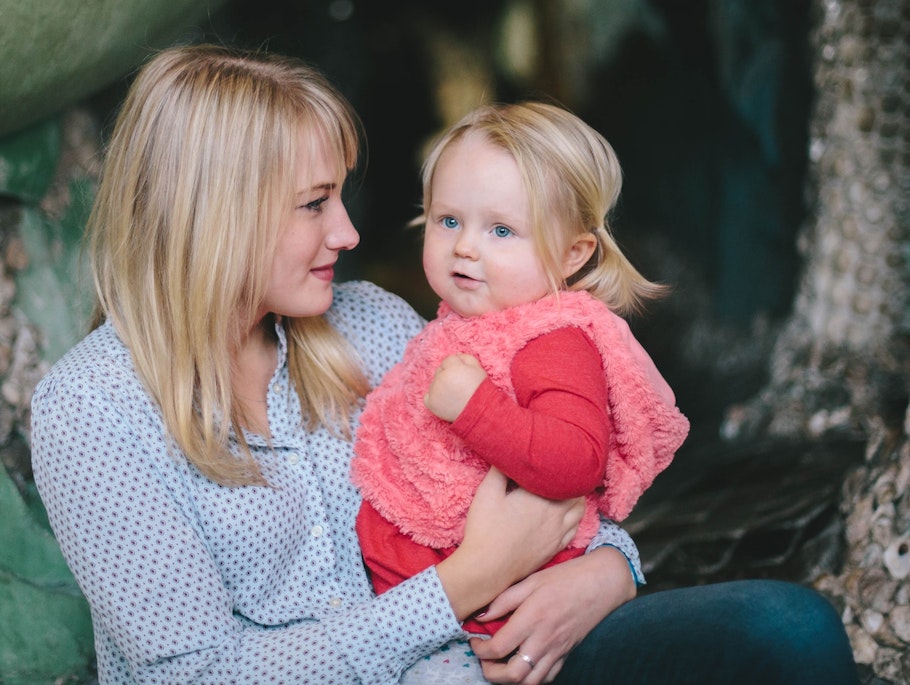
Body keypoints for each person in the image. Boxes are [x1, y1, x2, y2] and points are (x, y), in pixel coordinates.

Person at [27, 42, 860, 685]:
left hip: (483, 658)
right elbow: (199, 675)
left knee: (787, 629)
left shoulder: (379, 325)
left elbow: (546, 472)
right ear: (218, 216)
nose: (350, 234)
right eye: (316, 204)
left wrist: (608, 575)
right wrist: (463, 584)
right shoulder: (91, 409)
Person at [350, 101, 690, 637]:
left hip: (508, 608)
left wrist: (476, 408)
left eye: (501, 231)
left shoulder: (551, 339)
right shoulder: (457, 325)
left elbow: (577, 460)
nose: (464, 246)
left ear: (573, 255)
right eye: (449, 220)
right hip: (429, 601)